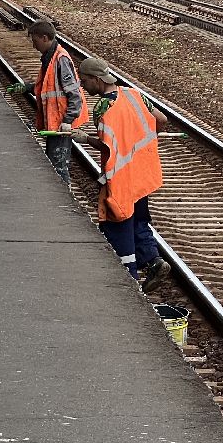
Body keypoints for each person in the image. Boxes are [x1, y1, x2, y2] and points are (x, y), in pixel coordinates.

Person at [76, 56, 170, 288]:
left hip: (120, 174)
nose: (83, 87)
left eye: (85, 81)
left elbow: (106, 144)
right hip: (141, 169)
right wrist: (141, 136)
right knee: (139, 216)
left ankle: (129, 277)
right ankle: (153, 259)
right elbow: (161, 119)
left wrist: (84, 138)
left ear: (97, 80)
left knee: (118, 220)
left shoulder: (102, 107)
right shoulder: (133, 94)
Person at [15, 20, 86, 183]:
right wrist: (28, 88)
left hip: (61, 124)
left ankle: (66, 202)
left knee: (58, 166)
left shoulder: (60, 59)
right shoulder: (50, 57)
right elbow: (48, 88)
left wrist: (68, 120)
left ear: (45, 38)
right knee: (54, 164)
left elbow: (74, 94)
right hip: (55, 123)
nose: (34, 46)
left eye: (35, 41)